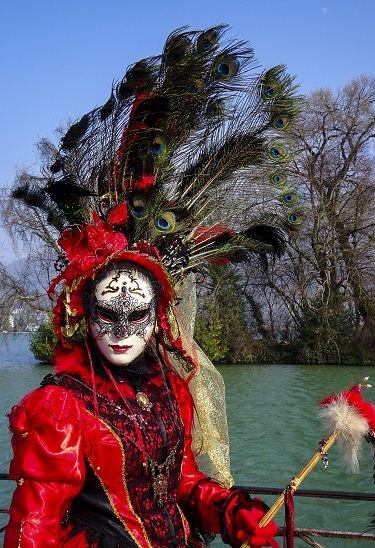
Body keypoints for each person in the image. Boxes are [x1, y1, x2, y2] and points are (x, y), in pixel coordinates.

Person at [5, 24, 301, 547]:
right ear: (82, 311)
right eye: (107, 311)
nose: (121, 329)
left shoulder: (167, 386)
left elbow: (182, 484)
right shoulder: (61, 407)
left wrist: (231, 512)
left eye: (135, 313)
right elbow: (33, 527)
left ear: (158, 315)